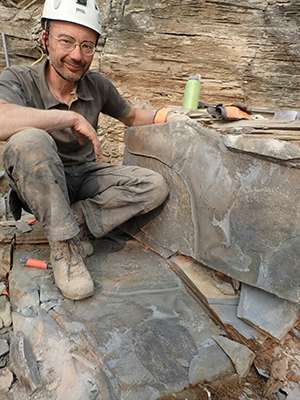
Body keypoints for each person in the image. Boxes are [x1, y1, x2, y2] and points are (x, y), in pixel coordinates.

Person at [0, 0, 170, 301]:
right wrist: (68, 117)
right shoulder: (18, 79)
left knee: (153, 186)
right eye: (66, 41)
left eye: (87, 46)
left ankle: (73, 223)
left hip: (84, 178)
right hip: (38, 185)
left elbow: (131, 116)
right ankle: (65, 248)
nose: (77, 55)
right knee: (30, 140)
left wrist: (170, 115)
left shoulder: (97, 86)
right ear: (45, 39)